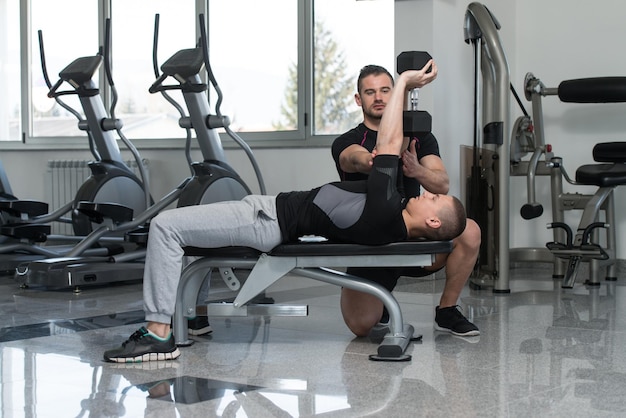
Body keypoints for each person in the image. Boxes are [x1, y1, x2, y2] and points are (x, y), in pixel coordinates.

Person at [104, 59, 467, 363]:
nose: (426, 195)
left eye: (433, 201)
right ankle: (189, 319)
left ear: (432, 221)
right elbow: (367, 154)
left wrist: (403, 81)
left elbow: (389, 145)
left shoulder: (386, 209)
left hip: (265, 219)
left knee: (166, 226)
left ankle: (157, 333)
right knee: (188, 232)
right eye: (372, 92)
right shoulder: (392, 213)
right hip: (267, 214)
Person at [331, 64, 481, 338]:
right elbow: (357, 160)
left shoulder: (421, 137)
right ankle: (380, 297)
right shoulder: (349, 140)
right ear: (358, 99)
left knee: (468, 230)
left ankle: (447, 311)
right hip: (372, 244)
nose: (378, 97)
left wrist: (416, 170)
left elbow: (442, 183)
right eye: (370, 92)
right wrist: (381, 155)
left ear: (395, 93)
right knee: (361, 325)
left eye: (385, 90)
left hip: (414, 237)